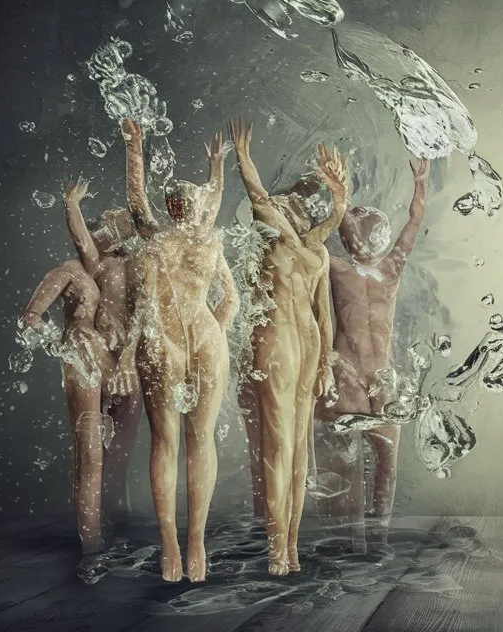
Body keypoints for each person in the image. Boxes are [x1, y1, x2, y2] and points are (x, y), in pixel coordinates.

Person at [118, 117, 239, 582]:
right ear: (176, 206)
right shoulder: (187, 238)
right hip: (184, 339)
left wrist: (138, 146)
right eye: (180, 198)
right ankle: (179, 543)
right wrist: (137, 144)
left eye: (185, 197)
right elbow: (136, 200)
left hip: (184, 339)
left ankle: (187, 543)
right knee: (179, 441)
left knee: (183, 441)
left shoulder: (189, 239)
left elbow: (230, 298)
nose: (183, 202)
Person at [228, 117, 350, 576]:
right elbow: (259, 197)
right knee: (278, 447)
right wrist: (243, 159)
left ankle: (292, 546)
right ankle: (277, 547)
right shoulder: (274, 236)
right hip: (275, 340)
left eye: (295, 203)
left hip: (308, 345)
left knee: (300, 450)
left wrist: (328, 365)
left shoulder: (314, 247)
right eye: (284, 203)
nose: (289, 205)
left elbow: (325, 312)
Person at [314, 157, 429, 553]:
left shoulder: (338, 269)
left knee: (348, 473)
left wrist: (337, 192)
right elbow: (414, 223)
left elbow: (324, 232)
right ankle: (378, 542)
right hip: (383, 381)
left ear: (348, 241)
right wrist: (420, 181)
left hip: (346, 377)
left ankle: (355, 543)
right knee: (386, 469)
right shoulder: (391, 269)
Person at [20, 184, 108, 555]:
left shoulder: (97, 272)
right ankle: (91, 542)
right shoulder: (69, 271)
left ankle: (103, 531)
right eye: (99, 229)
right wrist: (66, 345)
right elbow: (30, 317)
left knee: (102, 448)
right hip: (81, 359)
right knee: (88, 450)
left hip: (99, 358)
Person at [62, 179, 144, 522]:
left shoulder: (139, 262)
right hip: (101, 356)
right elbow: (82, 238)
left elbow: (146, 310)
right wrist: (72, 205)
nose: (115, 215)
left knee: (121, 447)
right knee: (94, 447)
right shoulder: (99, 263)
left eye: (119, 215)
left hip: (129, 360)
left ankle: (116, 511)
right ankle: (93, 526)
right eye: (112, 216)